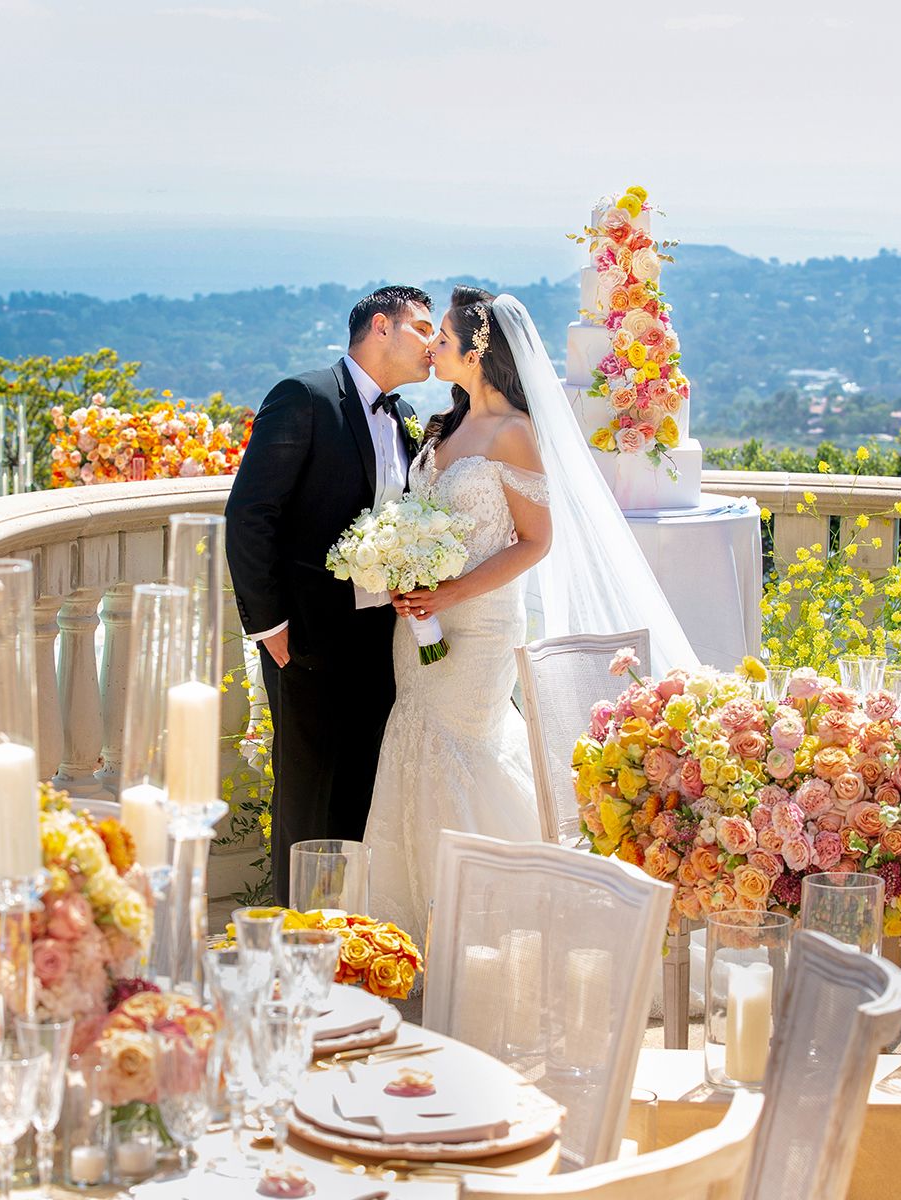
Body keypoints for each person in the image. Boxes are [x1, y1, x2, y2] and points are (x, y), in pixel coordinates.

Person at [365, 287, 696, 936]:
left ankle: (501, 923)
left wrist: (453, 593)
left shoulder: (514, 433)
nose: (433, 345)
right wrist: (406, 574)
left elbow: (536, 541)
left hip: (481, 628)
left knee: (463, 750)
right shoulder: (443, 428)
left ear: (477, 349)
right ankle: (419, 928)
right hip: (421, 626)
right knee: (413, 745)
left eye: (444, 336)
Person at [225, 285, 435, 905]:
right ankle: (296, 937)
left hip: (381, 639)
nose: (432, 343)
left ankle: (344, 937)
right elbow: (251, 514)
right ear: (380, 327)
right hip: (308, 640)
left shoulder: (402, 420)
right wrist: (270, 627)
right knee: (307, 796)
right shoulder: (305, 397)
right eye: (422, 328)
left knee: (361, 794)